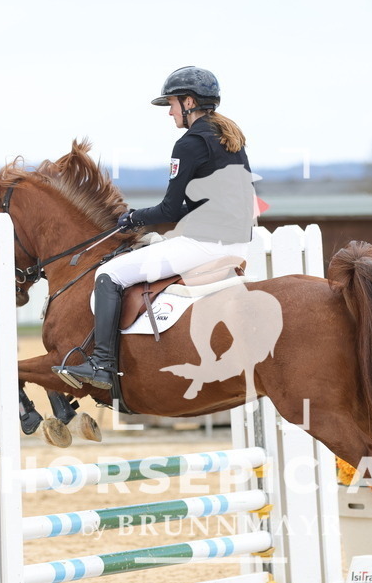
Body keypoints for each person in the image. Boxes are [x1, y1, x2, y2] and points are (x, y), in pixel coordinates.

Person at [56, 66, 257, 390]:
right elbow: (191, 205)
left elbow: (168, 208)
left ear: (189, 102)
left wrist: (134, 218)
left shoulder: (189, 143)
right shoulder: (228, 139)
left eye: (172, 104)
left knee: (109, 275)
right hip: (237, 245)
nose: (170, 112)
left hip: (205, 245)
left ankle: (102, 365)